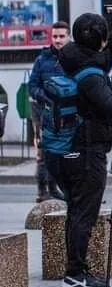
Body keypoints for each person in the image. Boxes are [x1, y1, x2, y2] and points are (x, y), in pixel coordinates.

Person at [46, 14, 112, 287]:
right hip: (85, 151)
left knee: (77, 210)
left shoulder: (72, 58)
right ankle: (75, 273)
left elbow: (99, 57)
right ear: (97, 40)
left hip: (65, 149)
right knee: (83, 214)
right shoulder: (89, 77)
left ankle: (74, 271)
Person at [28, 21, 69, 202]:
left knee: (64, 152)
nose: (58, 40)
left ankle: (59, 188)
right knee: (44, 152)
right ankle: (43, 191)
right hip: (44, 111)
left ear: (68, 37)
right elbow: (32, 86)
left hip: (67, 111)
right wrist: (44, 95)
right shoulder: (42, 60)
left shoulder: (74, 58)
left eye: (61, 36)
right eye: (55, 36)